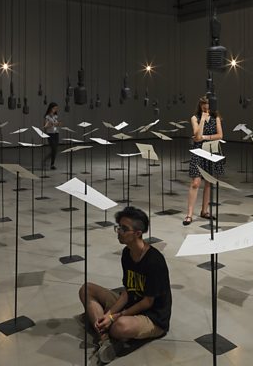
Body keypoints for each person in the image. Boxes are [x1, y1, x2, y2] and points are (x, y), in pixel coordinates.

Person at [79, 206, 172, 364]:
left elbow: (147, 302)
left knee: (119, 326)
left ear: (138, 233)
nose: (119, 232)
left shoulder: (154, 261)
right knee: (86, 289)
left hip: (153, 317)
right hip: (132, 303)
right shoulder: (127, 253)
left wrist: (115, 316)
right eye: (119, 227)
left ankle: (106, 329)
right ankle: (105, 340)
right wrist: (109, 315)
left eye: (124, 229)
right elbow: (127, 291)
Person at [183, 96, 224, 226]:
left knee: (208, 183)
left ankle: (204, 211)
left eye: (208, 104)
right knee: (195, 183)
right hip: (198, 152)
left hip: (211, 151)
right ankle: (189, 214)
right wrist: (202, 120)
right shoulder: (195, 118)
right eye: (203, 104)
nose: (206, 106)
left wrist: (204, 137)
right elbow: (197, 135)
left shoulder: (216, 118)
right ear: (200, 105)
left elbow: (220, 135)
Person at [43, 102, 61, 170]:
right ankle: (51, 164)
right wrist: (51, 124)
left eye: (56, 108)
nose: (56, 109)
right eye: (54, 108)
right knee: (53, 149)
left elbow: (56, 124)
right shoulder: (47, 116)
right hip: (50, 134)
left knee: (55, 150)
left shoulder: (55, 116)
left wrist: (58, 124)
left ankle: (50, 163)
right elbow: (45, 126)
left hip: (56, 133)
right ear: (51, 108)